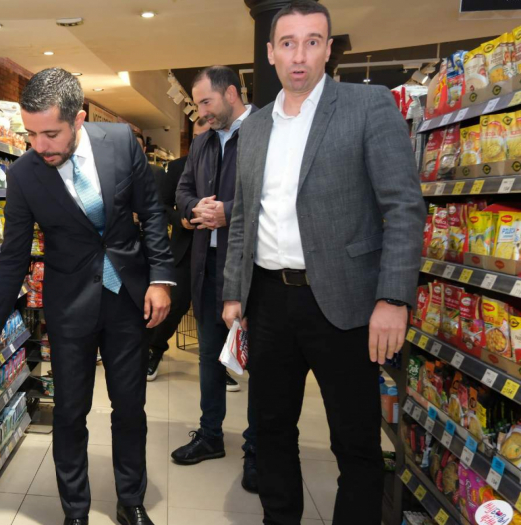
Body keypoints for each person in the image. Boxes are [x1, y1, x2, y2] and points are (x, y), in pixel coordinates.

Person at [221, 2, 424, 523]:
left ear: (329, 49)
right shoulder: (256, 127)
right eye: (288, 43)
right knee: (271, 431)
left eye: (312, 42)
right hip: (268, 302)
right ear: (270, 53)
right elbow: (243, 216)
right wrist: (234, 291)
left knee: (355, 442)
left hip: (346, 301)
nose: (299, 56)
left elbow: (403, 207)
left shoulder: (367, 105)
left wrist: (393, 298)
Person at [0, 67, 175, 525]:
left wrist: (161, 277)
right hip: (69, 306)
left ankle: (130, 500)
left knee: (130, 408)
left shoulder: (120, 142)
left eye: (51, 134)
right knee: (69, 412)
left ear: (78, 118)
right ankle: (75, 511)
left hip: (128, 299)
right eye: (30, 134)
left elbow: (152, 212)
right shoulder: (24, 175)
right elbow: (13, 258)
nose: (39, 146)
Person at [172, 66, 258, 493]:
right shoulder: (203, 142)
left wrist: (229, 211)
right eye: (197, 104)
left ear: (231, 93)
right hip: (206, 267)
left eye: (206, 102)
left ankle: (258, 449)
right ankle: (210, 435)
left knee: (259, 362)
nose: (201, 112)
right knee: (209, 357)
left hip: (253, 271)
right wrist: (196, 209)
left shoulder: (263, 132)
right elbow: (182, 191)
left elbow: (276, 196)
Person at [144, 118, 209, 382]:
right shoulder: (178, 166)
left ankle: (217, 365)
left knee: (213, 310)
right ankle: (155, 349)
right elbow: (162, 205)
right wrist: (180, 219)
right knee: (175, 304)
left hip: (218, 249)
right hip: (184, 248)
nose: (200, 142)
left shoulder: (230, 164)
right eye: (196, 137)